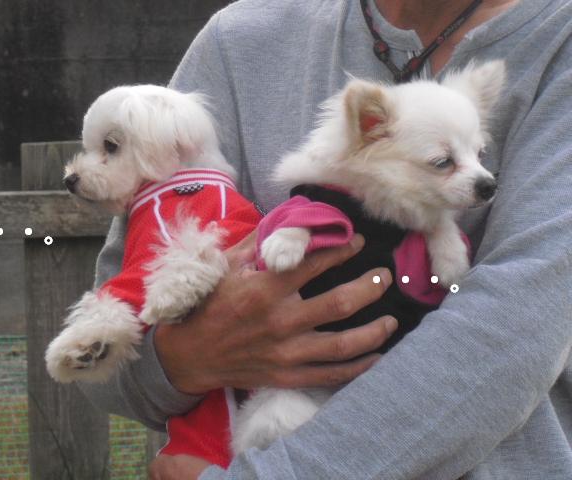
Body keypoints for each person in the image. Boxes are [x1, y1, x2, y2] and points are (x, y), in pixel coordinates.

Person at [80, 0, 572, 478]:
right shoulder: (239, 42)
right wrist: (182, 356)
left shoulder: (557, 39)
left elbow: (514, 330)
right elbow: (105, 354)